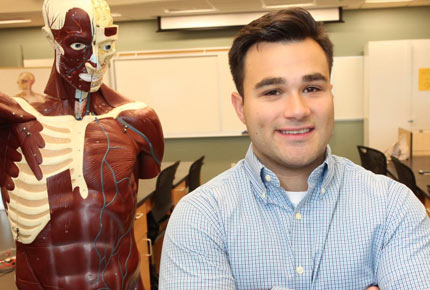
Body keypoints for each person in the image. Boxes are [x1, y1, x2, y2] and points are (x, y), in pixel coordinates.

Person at [159, 8, 430, 290]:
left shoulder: (393, 207)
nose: (297, 110)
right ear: (241, 108)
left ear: (331, 95)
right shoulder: (200, 217)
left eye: (312, 88)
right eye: (272, 91)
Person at [0, 0, 164, 289]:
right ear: (51, 38)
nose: (96, 61)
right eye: (78, 46)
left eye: (106, 45)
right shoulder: (11, 122)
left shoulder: (138, 120)